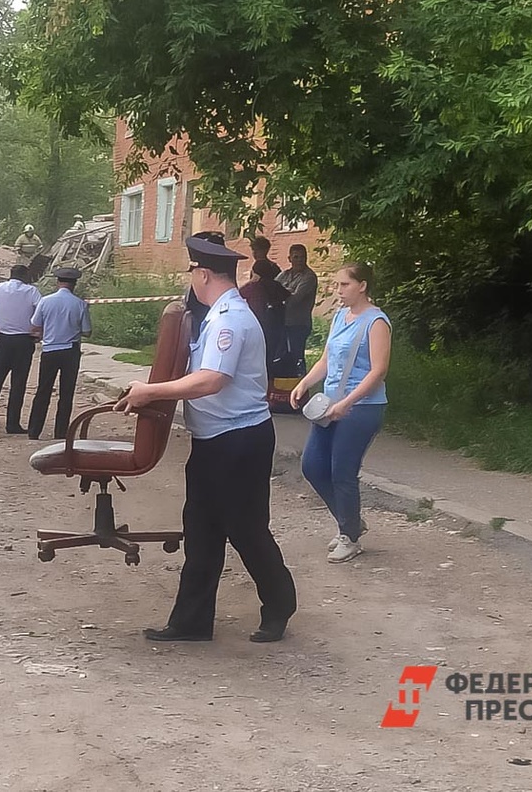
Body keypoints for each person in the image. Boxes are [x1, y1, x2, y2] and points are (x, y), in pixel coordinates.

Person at [119, 235, 296, 643]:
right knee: (201, 531)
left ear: (202, 274)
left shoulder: (229, 319)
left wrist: (151, 392)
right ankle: (191, 622)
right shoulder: (220, 314)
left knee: (247, 529)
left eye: (193, 273)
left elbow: (213, 380)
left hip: (238, 440)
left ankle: (279, 605)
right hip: (216, 440)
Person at [290, 262, 392, 564]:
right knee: (311, 465)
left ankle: (349, 536)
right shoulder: (339, 316)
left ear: (362, 286)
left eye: (344, 285)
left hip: (362, 407)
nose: (338, 291)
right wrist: (305, 383)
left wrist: (348, 403)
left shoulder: (376, 322)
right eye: (336, 285)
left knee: (342, 472)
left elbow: (379, 371)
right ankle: (350, 521)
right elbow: (326, 358)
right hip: (330, 403)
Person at [0, 265, 41, 434]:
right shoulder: (32, 291)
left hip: (3, 340)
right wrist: (39, 332)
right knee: (18, 383)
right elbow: (42, 311)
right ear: (25, 275)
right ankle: (12, 423)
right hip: (24, 341)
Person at [27, 267, 92, 440]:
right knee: (66, 392)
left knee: (43, 391)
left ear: (58, 282)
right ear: (74, 284)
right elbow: (87, 330)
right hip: (70, 350)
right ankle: (61, 432)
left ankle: (34, 430)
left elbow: (35, 325)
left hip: (49, 350)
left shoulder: (46, 301)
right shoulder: (80, 304)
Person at [239, 259, 292, 379]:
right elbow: (288, 296)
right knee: (271, 357)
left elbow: (238, 295)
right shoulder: (276, 286)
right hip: (276, 327)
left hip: (257, 327)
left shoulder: (252, 287)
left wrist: (251, 281)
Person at [276, 244, 319, 376]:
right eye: (296, 257)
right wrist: (285, 292)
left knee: (297, 356)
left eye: (302, 257)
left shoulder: (309, 277)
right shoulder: (284, 274)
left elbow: (295, 299)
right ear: (289, 258)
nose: (300, 260)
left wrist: (281, 293)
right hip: (283, 322)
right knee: (282, 356)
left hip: (299, 324)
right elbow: (272, 288)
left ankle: (301, 384)